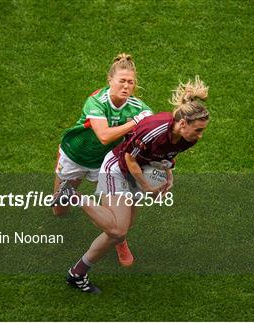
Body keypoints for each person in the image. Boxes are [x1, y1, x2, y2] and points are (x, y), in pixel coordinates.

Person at [59, 76, 210, 293]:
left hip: (139, 170)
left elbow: (167, 155)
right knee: (118, 230)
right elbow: (129, 159)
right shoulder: (154, 129)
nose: (200, 136)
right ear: (183, 123)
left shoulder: (189, 138)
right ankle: (73, 194)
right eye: (198, 130)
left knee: (121, 228)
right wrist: (147, 187)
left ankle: (77, 273)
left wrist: (169, 175)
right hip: (118, 169)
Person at [52, 53, 152, 267]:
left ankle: (120, 240)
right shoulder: (96, 101)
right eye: (122, 81)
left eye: (131, 82)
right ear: (110, 80)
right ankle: (69, 196)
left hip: (106, 162)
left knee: (117, 218)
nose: (126, 86)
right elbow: (104, 136)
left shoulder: (139, 108)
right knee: (59, 210)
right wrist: (135, 122)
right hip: (75, 155)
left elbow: (151, 132)